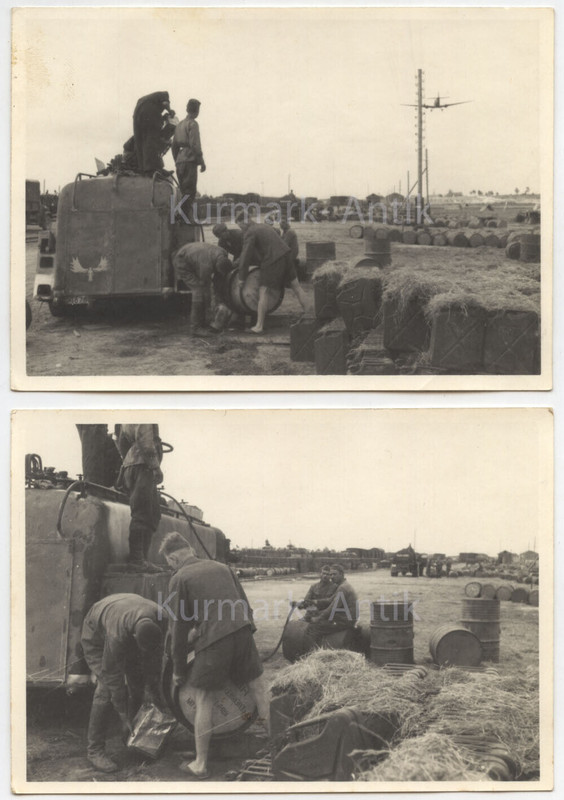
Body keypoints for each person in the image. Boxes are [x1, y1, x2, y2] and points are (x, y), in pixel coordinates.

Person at [160, 533, 269, 779]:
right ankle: (275, 748)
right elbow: (245, 604)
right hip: (242, 631)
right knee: (259, 690)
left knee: (203, 699)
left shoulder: (180, 577)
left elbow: (178, 628)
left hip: (214, 639)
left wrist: (178, 668)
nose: (170, 567)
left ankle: (200, 764)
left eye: (169, 563)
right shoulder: (223, 567)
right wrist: (244, 632)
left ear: (175, 557)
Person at [81, 593, 164, 773]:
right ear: (134, 635)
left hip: (125, 610)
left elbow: (156, 657)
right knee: (105, 690)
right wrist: (122, 714)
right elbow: (113, 676)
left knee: (138, 681)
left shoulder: (162, 616)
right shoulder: (116, 634)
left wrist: (152, 683)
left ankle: (132, 736)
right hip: (96, 629)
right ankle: (95, 750)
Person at [236, 216, 308, 333]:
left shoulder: (250, 232)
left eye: (241, 226)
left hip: (273, 259)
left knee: (263, 291)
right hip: (286, 255)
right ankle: (311, 315)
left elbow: (246, 256)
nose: (242, 229)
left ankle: (258, 326)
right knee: (297, 287)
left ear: (245, 221)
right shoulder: (264, 226)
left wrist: (241, 277)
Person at [116, 424, 164, 572]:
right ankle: (137, 560)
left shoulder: (125, 419)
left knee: (152, 513)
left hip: (133, 465)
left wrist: (129, 459)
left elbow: (121, 441)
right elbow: (145, 440)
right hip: (143, 466)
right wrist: (155, 467)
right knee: (143, 514)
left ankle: (142, 559)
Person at [172, 242, 233, 335]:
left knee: (205, 291)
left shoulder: (223, 252)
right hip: (182, 260)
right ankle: (195, 328)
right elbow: (205, 284)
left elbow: (218, 278)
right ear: (216, 266)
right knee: (199, 291)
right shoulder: (206, 265)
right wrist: (210, 305)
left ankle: (204, 321)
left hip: (193, 254)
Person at [305, 564, 358, 645]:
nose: (332, 577)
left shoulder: (343, 588)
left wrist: (318, 618)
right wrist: (315, 601)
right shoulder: (343, 585)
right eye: (331, 574)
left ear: (341, 574)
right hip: (344, 618)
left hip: (345, 621)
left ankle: (314, 654)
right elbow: (330, 600)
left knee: (313, 628)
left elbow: (332, 608)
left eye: (334, 574)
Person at [172, 99, 206, 219]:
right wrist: (202, 162)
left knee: (183, 191)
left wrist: (177, 160)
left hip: (180, 160)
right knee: (190, 191)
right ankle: (181, 217)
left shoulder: (179, 125)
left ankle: (182, 217)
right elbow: (195, 145)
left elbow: (174, 146)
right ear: (197, 111)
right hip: (190, 160)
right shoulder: (193, 124)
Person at [133, 91, 172, 176]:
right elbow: (165, 103)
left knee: (141, 142)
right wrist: (170, 111)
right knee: (152, 140)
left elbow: (149, 118)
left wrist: (161, 118)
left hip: (137, 114)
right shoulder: (165, 94)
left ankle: (143, 168)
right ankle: (154, 169)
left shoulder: (150, 99)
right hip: (148, 112)